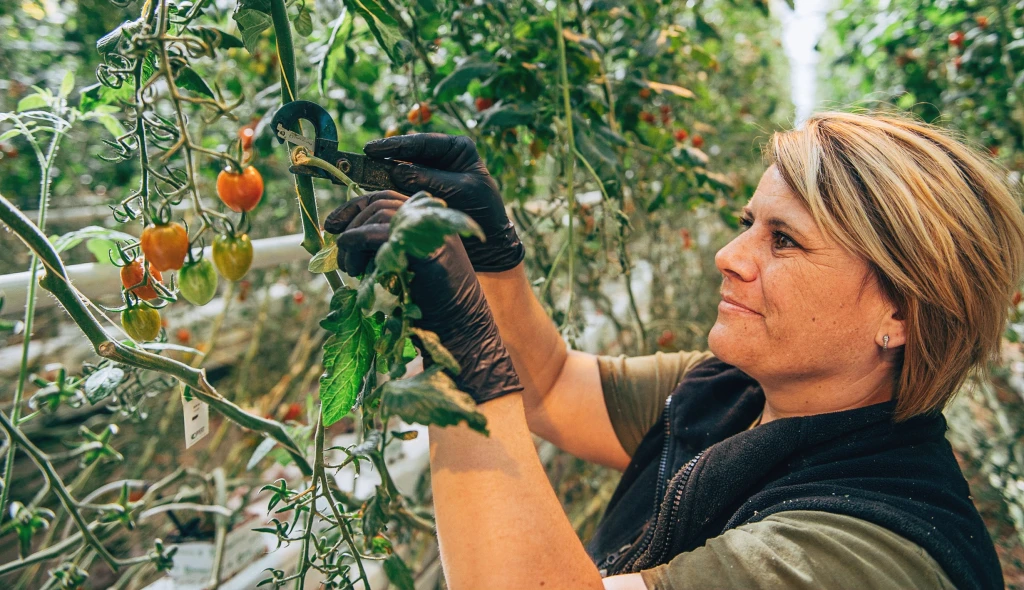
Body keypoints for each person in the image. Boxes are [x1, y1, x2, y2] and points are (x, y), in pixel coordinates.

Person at [324, 110, 1024, 590]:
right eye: (748, 223)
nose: (728, 255)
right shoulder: (733, 391)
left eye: (784, 240)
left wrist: (458, 363)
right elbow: (555, 388)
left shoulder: (864, 550)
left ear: (900, 312)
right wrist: (493, 259)